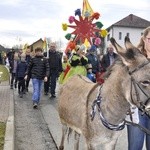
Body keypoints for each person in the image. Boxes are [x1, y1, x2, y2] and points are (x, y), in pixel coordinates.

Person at [127, 26, 150, 150]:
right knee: (135, 146)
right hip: (137, 110)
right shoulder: (135, 59)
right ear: (144, 39)